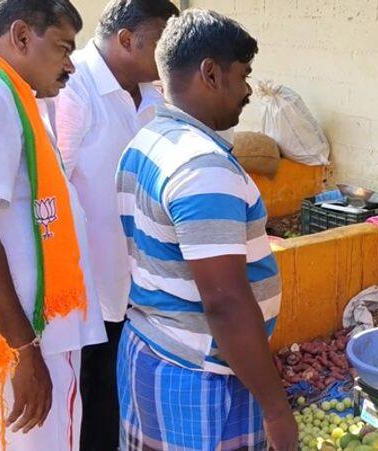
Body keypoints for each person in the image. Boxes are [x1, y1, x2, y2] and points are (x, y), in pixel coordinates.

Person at [115, 9, 297, 451]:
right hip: (200, 379)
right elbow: (226, 304)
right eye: (244, 75)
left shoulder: (147, 142)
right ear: (210, 73)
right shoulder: (202, 167)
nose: (250, 90)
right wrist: (275, 407)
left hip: (152, 346)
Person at [0, 1, 105, 450]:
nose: (70, 67)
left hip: (38, 328)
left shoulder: (11, 91)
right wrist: (24, 349)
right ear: (21, 36)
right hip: (19, 338)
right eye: (63, 48)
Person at [52, 1, 178, 449]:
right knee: (93, 400)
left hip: (141, 282)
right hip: (87, 286)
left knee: (124, 394)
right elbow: (53, 188)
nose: (170, 57)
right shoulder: (74, 88)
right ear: (126, 40)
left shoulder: (155, 94)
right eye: (162, 44)